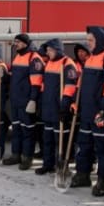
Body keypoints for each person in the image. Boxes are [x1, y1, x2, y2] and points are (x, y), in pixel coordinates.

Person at [70, 27, 104, 197]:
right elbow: (82, 84)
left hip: (100, 113)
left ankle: (102, 180)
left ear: (100, 40)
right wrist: (77, 102)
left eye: (91, 40)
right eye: (88, 40)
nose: (88, 43)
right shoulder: (91, 59)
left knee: (103, 148)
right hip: (86, 112)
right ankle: (83, 174)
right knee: (84, 145)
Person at [35, 38, 77, 175]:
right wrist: (41, 103)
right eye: (47, 50)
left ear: (57, 50)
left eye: (50, 50)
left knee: (60, 141)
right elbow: (44, 86)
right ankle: (48, 164)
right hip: (48, 107)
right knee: (47, 139)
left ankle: (62, 166)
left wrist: (64, 106)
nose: (48, 53)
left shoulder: (67, 64)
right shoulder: (49, 64)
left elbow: (70, 87)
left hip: (59, 108)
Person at [4, 34, 44, 171]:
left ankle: (27, 157)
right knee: (16, 129)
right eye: (15, 42)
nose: (16, 44)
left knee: (28, 131)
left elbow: (36, 82)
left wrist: (33, 100)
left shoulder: (34, 58)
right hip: (15, 100)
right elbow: (14, 76)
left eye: (19, 42)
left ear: (26, 43)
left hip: (26, 102)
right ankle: (16, 154)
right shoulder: (17, 57)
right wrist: (3, 72)